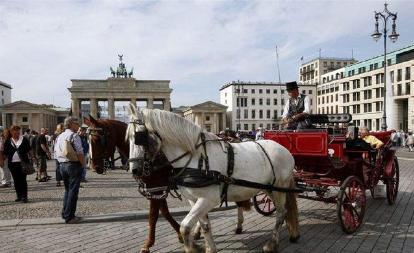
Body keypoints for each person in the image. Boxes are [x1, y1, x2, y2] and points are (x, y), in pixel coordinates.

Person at [55, 116, 86, 224]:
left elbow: (56, 152)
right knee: (73, 191)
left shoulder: (60, 136)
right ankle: (70, 217)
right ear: (71, 124)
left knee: (68, 190)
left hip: (62, 165)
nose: (78, 125)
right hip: (73, 165)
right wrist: (83, 165)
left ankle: (65, 213)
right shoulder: (74, 136)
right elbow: (80, 152)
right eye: (76, 123)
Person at [3, 125, 31, 203]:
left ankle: (24, 196)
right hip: (12, 164)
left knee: (23, 180)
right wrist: (2, 159)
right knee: (16, 180)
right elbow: (5, 153)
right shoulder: (8, 141)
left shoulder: (24, 139)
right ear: (11, 133)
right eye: (15, 133)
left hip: (23, 163)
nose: (17, 134)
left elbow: (29, 150)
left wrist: (32, 158)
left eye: (18, 132)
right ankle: (19, 195)